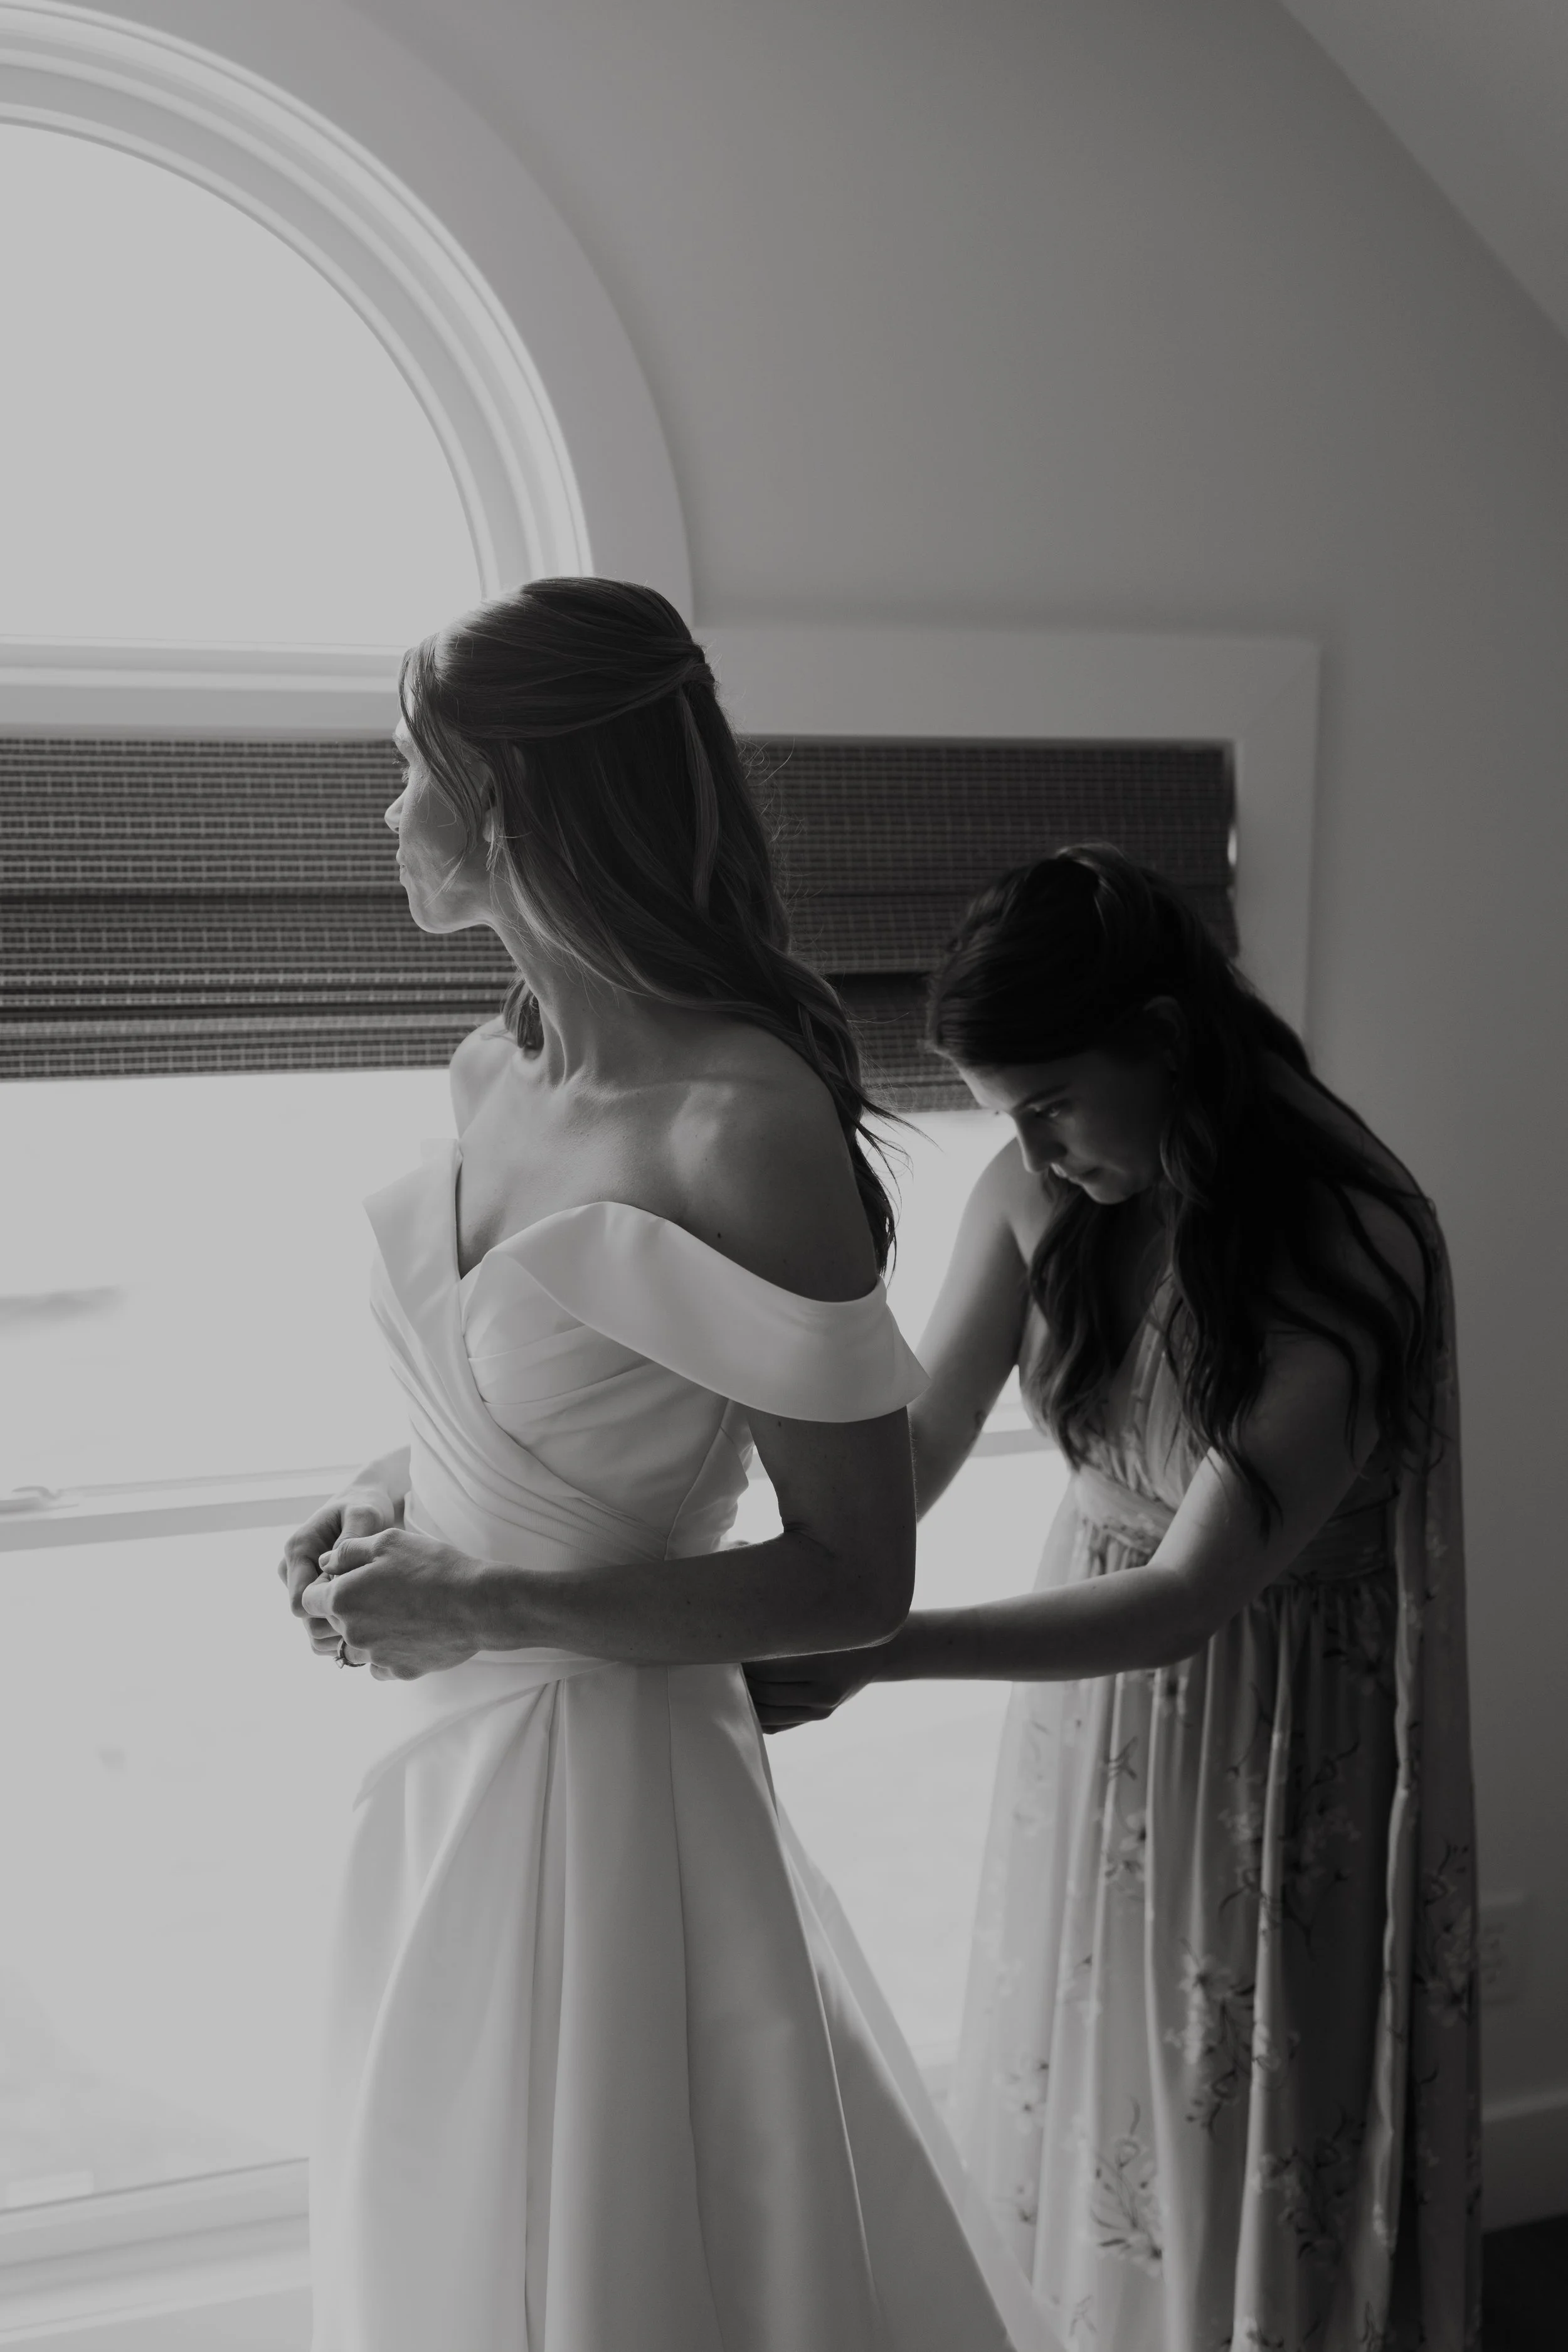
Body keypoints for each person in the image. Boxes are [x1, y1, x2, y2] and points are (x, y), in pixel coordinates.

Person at [277, 578, 1048, 2352]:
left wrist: (480, 1595)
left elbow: (852, 1576)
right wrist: (387, 1496)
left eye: (412, 771)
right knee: (446, 2221)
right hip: (442, 1768)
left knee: (625, 2240)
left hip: (611, 1780)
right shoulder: (489, 1070)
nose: (387, 812)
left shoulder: (738, 1123)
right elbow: (526, 1399)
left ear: (521, 802)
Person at [748, 848, 1480, 2352]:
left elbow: (1186, 1594)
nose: (1024, 1144)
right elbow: (922, 1436)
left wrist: (876, 1651)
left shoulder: (1345, 1244)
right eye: (1003, 1111)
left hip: (1276, 1726)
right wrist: (754, 1542)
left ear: (1160, 1035)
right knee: (1098, 2077)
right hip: (1095, 1707)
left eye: (1050, 1100)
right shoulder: (1043, 1195)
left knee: (1233, 2089)